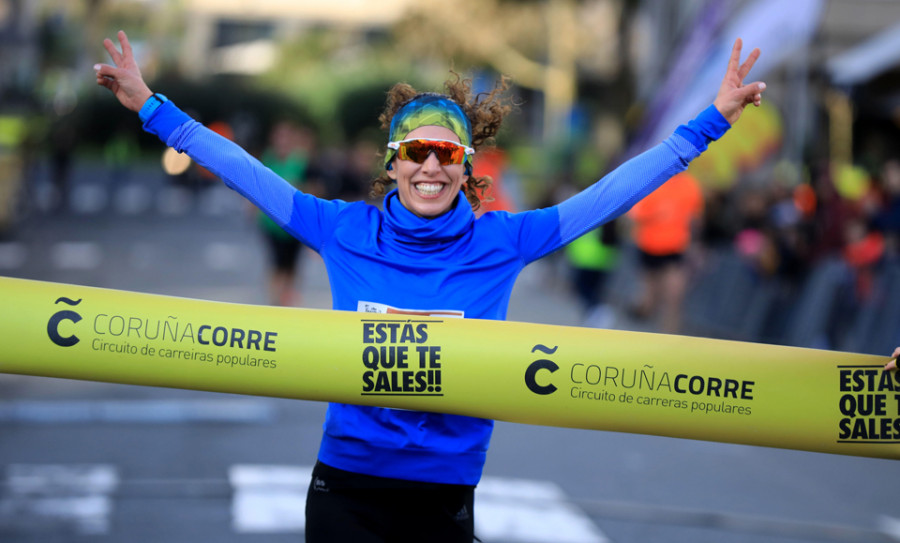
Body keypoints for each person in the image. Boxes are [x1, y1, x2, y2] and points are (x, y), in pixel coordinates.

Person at [95, 30, 765, 542]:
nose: (429, 167)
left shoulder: (505, 240)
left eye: (446, 154)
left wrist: (709, 123)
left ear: (465, 166)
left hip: (443, 494)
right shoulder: (342, 229)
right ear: (393, 163)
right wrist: (150, 107)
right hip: (344, 487)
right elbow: (245, 170)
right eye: (414, 151)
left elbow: (613, 192)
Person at [627, 170, 704, 334]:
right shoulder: (652, 181)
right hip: (649, 246)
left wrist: (696, 244)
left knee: (674, 296)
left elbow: (696, 218)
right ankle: (641, 320)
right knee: (650, 296)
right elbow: (635, 214)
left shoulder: (690, 186)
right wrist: (657, 214)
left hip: (674, 248)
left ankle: (669, 336)